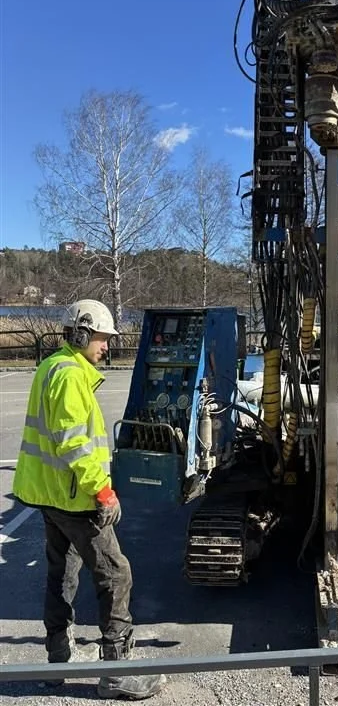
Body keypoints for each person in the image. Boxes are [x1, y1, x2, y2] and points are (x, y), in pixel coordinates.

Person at [12, 299, 166, 700]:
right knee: (116, 575)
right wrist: (103, 490)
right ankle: (116, 672)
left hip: (51, 497)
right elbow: (74, 442)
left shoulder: (53, 367)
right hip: (77, 498)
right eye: (101, 337)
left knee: (61, 575)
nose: (106, 346)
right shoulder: (70, 376)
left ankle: (58, 660)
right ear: (80, 334)